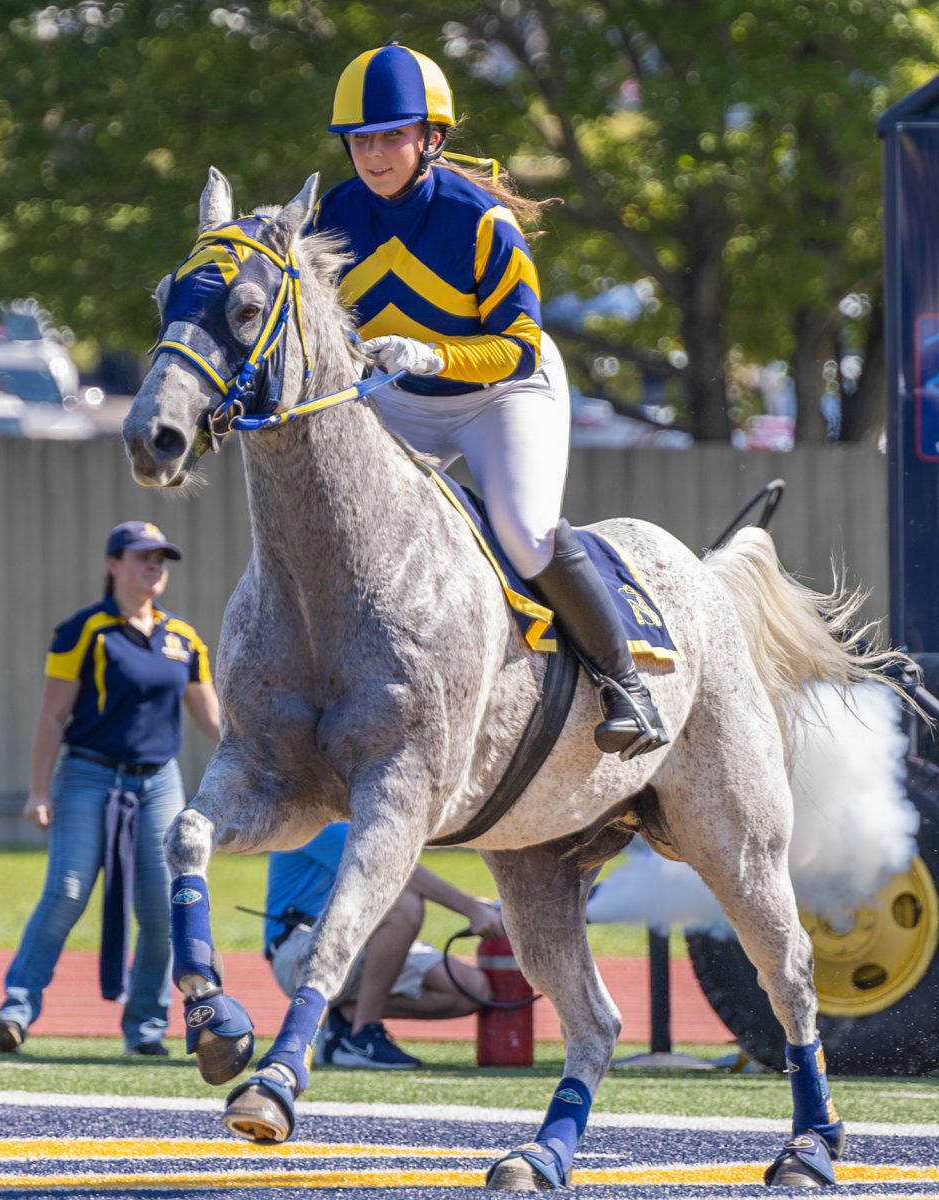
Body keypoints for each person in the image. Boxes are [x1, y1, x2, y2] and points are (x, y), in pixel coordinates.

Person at [313, 42, 668, 760]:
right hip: (401, 395)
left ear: (431, 139)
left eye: (391, 135)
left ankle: (625, 683)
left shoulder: (480, 221)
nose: (373, 153)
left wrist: (436, 355)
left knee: (525, 530)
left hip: (501, 393)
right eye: (360, 138)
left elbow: (521, 346)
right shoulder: (334, 214)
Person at [0, 521, 221, 1057]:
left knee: (163, 908)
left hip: (159, 782)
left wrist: (261, 763)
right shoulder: (83, 631)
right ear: (113, 564)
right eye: (142, 557)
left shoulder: (184, 639)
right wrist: (37, 792)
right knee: (66, 892)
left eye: (161, 558)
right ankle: (16, 1012)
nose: (154, 567)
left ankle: (145, 1029)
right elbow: (52, 717)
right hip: (88, 775)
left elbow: (213, 719)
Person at [265, 823, 505, 1068]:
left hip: (357, 939)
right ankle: (364, 1034)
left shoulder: (354, 815)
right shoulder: (317, 819)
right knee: (404, 905)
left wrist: (477, 906)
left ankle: (341, 1021)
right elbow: (391, 868)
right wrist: (472, 909)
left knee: (472, 990)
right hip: (300, 948)